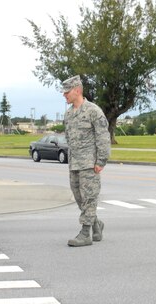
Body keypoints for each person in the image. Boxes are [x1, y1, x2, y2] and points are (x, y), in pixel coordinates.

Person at [61, 75, 111, 247]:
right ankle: (96, 224)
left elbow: (103, 137)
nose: (64, 95)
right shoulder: (68, 115)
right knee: (79, 197)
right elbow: (68, 137)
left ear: (77, 90)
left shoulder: (93, 111)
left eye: (67, 92)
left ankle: (85, 233)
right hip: (74, 163)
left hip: (90, 163)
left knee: (89, 197)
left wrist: (101, 161)